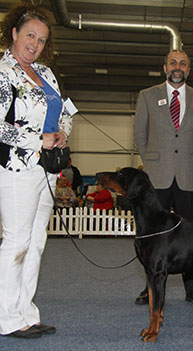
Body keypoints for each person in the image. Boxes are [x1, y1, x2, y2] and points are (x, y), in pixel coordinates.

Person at [0, 4, 73, 338]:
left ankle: (27, 313)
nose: (35, 44)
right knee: (16, 241)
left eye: (42, 40)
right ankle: (6, 317)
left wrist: (62, 133)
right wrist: (36, 139)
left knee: (37, 242)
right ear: (14, 33)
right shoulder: (3, 72)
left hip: (47, 169)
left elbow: (65, 111)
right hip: (16, 167)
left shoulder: (46, 73)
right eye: (30, 35)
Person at [134, 49, 193, 305]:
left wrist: (185, 159)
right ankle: (150, 288)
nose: (178, 67)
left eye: (183, 64)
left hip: (189, 175)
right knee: (152, 235)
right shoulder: (146, 96)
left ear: (188, 69)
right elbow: (140, 137)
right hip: (157, 175)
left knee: (191, 235)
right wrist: (154, 160)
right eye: (173, 63)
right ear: (165, 67)